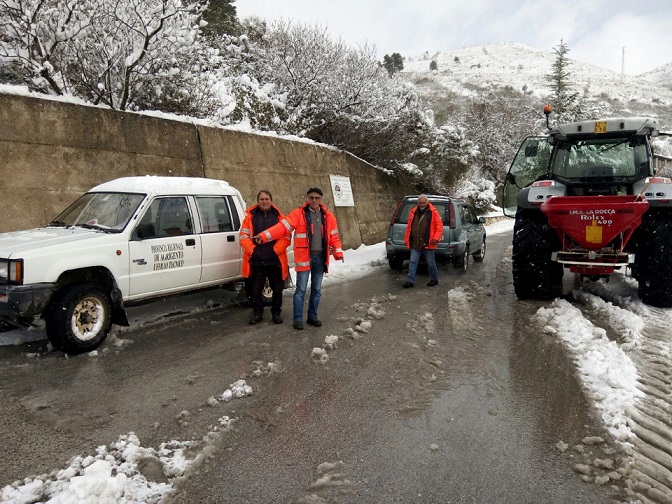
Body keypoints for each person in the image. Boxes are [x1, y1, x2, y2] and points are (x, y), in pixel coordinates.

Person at [254, 187, 344, 330]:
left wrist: (338, 252)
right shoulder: (298, 214)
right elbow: (282, 228)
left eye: (316, 198)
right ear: (307, 198)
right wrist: (264, 236)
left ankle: (312, 317)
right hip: (304, 258)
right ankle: (297, 320)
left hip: (321, 258)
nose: (314, 200)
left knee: (317, 290)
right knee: (301, 290)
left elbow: (334, 236)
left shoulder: (329, 216)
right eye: (311, 197)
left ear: (320, 199)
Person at [240, 190, 291, 325]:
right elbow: (243, 237)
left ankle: (276, 313)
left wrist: (276, 250)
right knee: (255, 291)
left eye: (267, 199)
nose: (264, 201)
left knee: (277, 290)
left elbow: (286, 237)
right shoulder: (250, 218)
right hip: (257, 261)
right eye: (262, 199)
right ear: (258, 201)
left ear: (271, 200)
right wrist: (253, 251)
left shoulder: (280, 218)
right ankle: (257, 313)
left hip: (275, 261)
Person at [402, 194, 443, 288]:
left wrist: (436, 238)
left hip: (428, 243)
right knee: (412, 261)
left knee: (431, 262)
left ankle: (434, 279)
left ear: (427, 202)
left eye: (423, 203)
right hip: (415, 243)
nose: (422, 204)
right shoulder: (413, 212)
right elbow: (409, 228)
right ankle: (410, 281)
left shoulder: (433, 212)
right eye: (420, 203)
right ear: (418, 203)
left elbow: (439, 226)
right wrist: (406, 239)